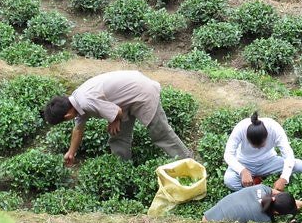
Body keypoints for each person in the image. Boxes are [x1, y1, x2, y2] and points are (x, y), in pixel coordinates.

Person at [41, 70, 190, 165]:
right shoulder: (75, 101)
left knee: (160, 133)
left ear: (67, 115)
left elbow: (117, 111)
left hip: (141, 92)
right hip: (125, 98)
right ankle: (122, 168)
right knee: (117, 136)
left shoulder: (86, 102)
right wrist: (71, 152)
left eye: (65, 120)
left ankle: (189, 162)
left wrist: (114, 119)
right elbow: (78, 129)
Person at [223, 112, 302, 191]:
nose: (258, 149)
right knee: (229, 180)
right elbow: (228, 154)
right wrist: (242, 171)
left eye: (261, 145)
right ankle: (253, 193)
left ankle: (255, 183)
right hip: (244, 163)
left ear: (267, 136)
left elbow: (288, 155)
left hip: (269, 162)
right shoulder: (240, 128)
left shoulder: (274, 128)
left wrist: (284, 178)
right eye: (255, 146)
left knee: (301, 166)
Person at [202, 183, 302, 223]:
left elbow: (276, 193)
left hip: (208, 216)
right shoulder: (264, 220)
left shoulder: (261, 188)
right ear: (276, 213)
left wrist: (294, 202)